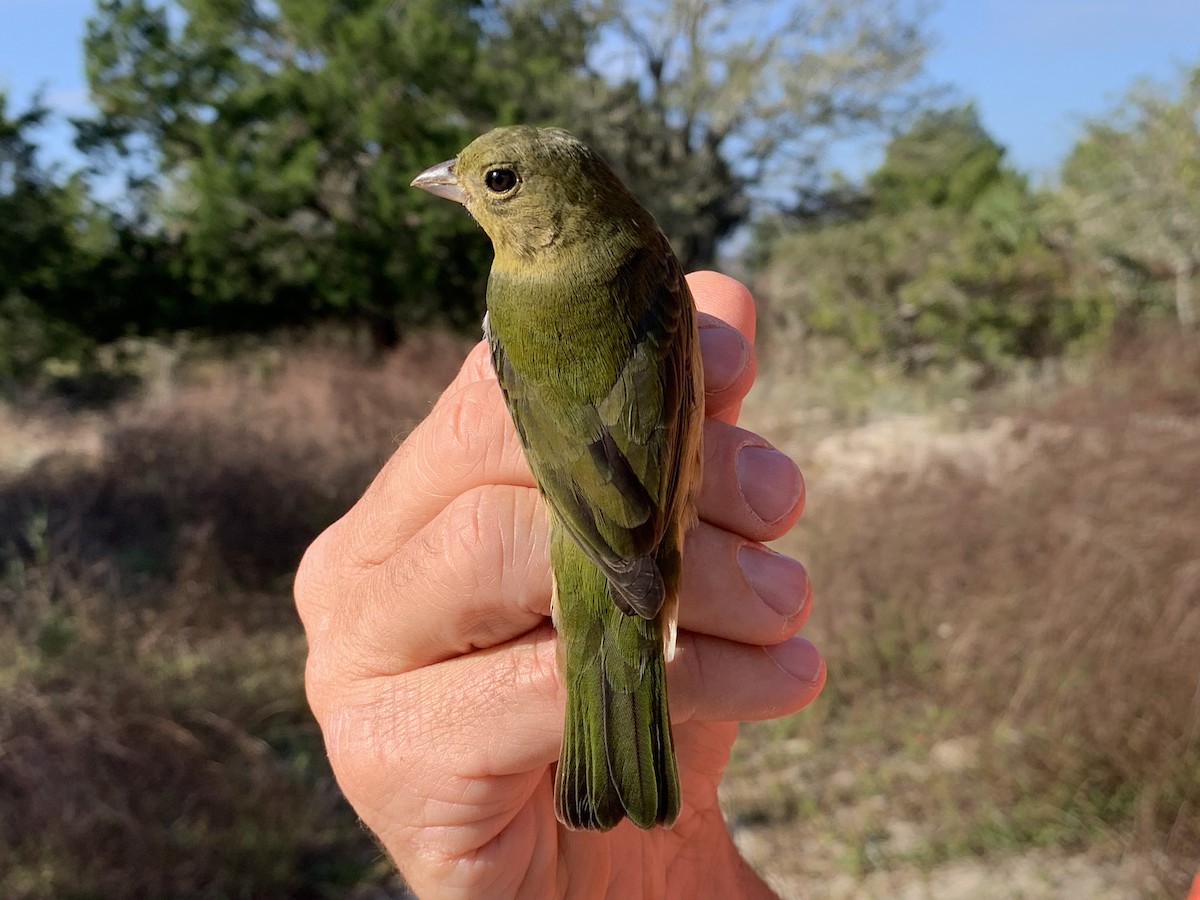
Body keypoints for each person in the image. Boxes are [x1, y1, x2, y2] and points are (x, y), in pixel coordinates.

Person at [294, 273, 825, 898]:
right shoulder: (612, 268)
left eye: (497, 178)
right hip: (625, 514)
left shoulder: (542, 288)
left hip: (602, 511)